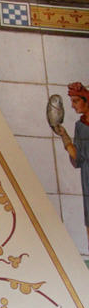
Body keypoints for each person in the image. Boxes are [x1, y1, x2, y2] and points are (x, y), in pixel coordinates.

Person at [54, 82, 89, 249]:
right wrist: (64, 135)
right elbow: (77, 158)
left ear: (86, 101)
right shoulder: (80, 126)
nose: (72, 106)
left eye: (76, 101)